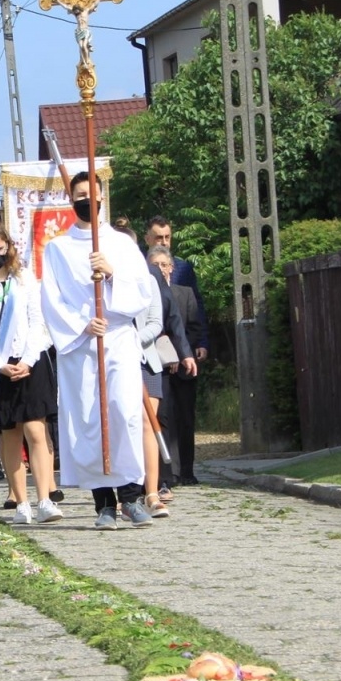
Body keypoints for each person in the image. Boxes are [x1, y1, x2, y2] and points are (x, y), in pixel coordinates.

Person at [42, 173, 154, 530]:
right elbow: (52, 300)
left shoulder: (121, 244)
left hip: (118, 338)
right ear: (69, 199)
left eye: (91, 194)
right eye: (78, 195)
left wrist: (111, 275)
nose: (85, 200)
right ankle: (103, 503)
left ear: (103, 196)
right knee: (90, 420)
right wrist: (83, 323)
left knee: (123, 413)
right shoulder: (57, 248)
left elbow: (142, 293)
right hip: (81, 346)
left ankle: (132, 496)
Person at [0, 221, 61, 525]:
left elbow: (38, 321)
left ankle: (44, 498)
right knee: (10, 433)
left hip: (31, 361)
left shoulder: (24, 278)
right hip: (1, 367)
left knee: (36, 430)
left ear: (8, 245)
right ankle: (21, 502)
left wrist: (28, 361)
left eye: (1, 249)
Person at [150, 245, 203, 489]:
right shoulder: (146, 293)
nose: (161, 269)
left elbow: (193, 325)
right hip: (157, 367)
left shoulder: (185, 293)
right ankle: (166, 473)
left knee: (185, 419)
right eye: (156, 264)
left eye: (164, 264)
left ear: (172, 268)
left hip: (183, 365)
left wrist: (183, 353)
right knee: (163, 418)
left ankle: (187, 470)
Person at [144, 217, 209, 364]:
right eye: (159, 238)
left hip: (184, 349)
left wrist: (202, 342)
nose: (164, 242)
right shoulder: (139, 268)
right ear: (147, 239)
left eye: (167, 237)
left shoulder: (183, 269)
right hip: (149, 350)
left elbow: (196, 308)